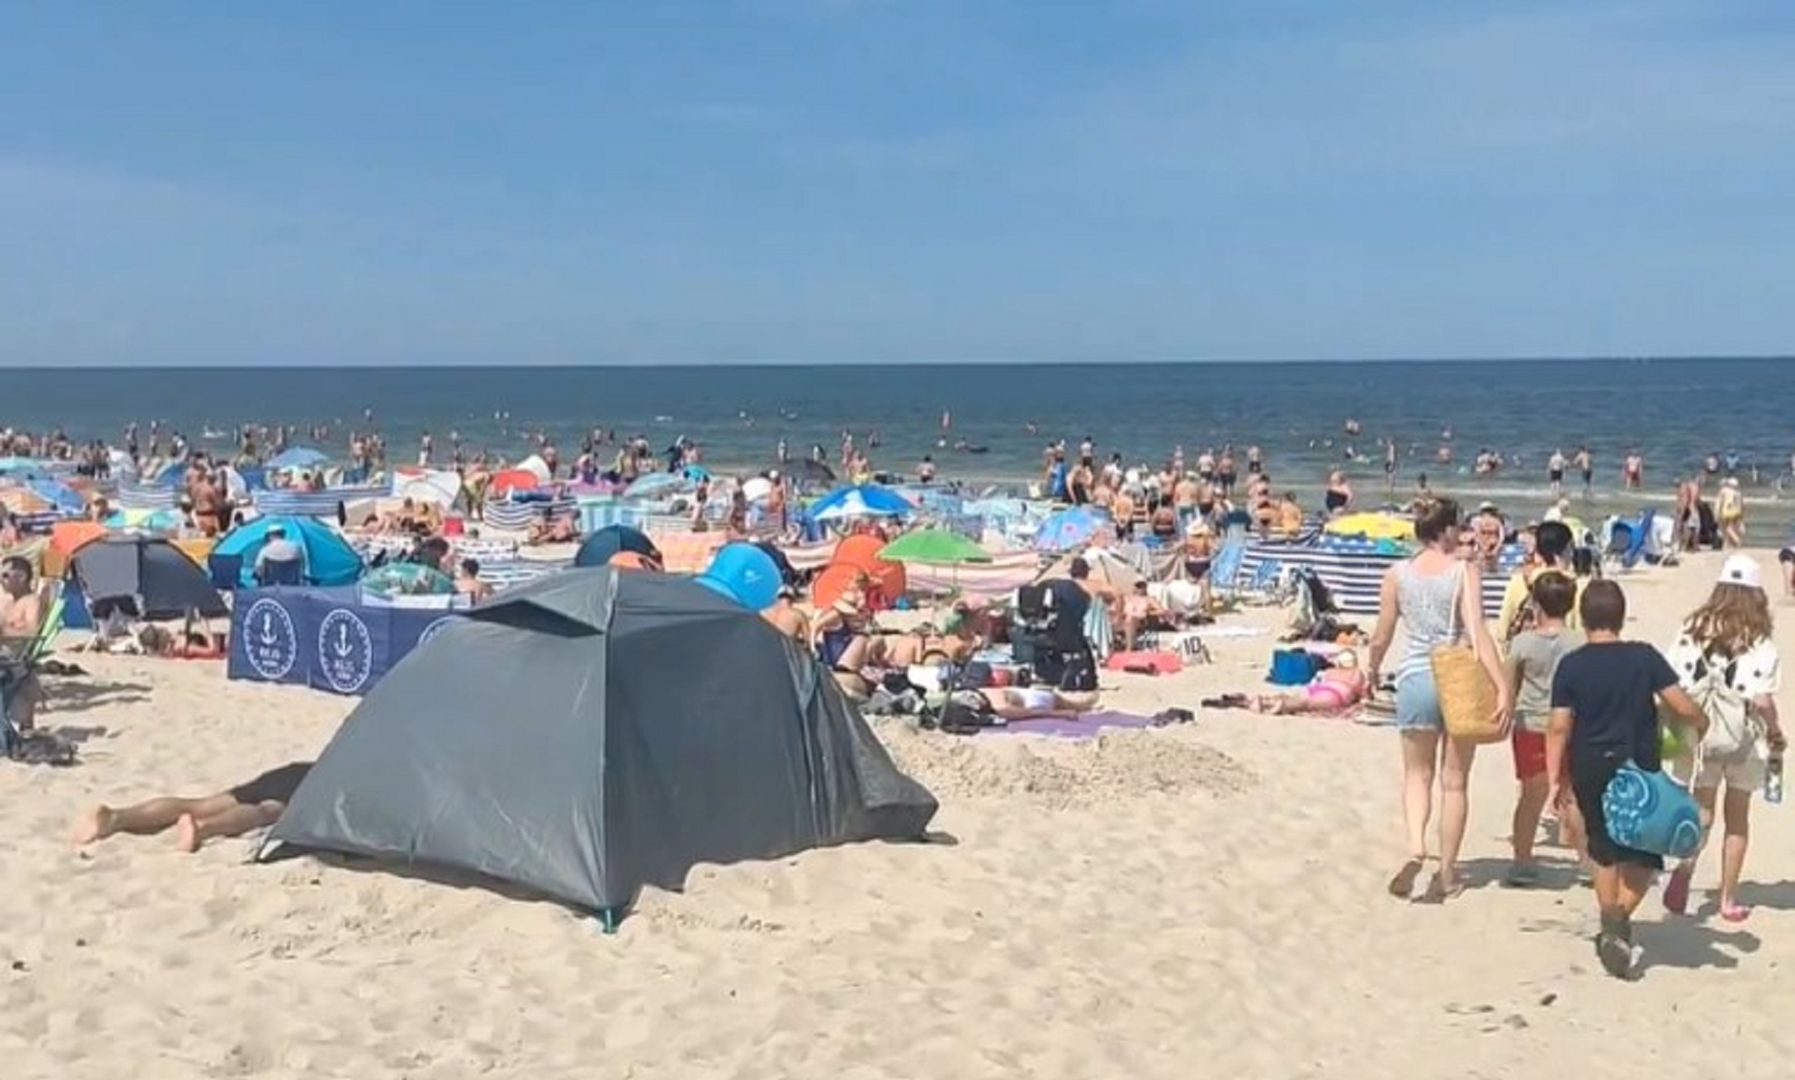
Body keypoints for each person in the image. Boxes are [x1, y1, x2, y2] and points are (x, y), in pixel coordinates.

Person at [1547, 580, 1706, 979]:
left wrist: (1554, 778)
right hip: (1637, 766)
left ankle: (1612, 928)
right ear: (1621, 616)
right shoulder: (1644, 657)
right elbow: (1680, 704)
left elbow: (1558, 726)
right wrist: (1700, 722)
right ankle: (1615, 926)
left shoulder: (1572, 664)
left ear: (1581, 618)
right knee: (1643, 854)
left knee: (1603, 848)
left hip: (1590, 765)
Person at [1367, 499, 1513, 902]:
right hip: (1457, 678)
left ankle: (1416, 843)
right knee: (1454, 783)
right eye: (1459, 527)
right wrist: (1501, 685)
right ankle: (1447, 873)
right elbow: (1478, 632)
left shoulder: (1396, 574)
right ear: (1446, 530)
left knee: (1416, 774)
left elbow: (1381, 634)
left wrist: (1372, 668)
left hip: (1414, 675)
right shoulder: (1464, 572)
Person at [1661, 556, 1785, 923]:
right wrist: (1776, 733)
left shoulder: (1692, 629)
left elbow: (1673, 680)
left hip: (1700, 734)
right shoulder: (1758, 639)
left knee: (1702, 811)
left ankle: (1684, 870)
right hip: (1742, 737)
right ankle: (1728, 899)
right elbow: (1762, 700)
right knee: (1737, 818)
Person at [1502, 572, 1584, 887]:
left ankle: (1522, 861)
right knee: (1572, 795)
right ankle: (1587, 862)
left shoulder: (1522, 643)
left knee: (1530, 796)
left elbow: (1509, 690)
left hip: (1530, 724)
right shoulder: (1579, 642)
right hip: (1570, 724)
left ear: (1535, 602)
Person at [71, 762, 313, 853]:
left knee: (200, 804)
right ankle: (203, 828)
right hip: (309, 783)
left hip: (288, 772)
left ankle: (117, 817)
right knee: (266, 811)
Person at [1498, 520, 1581, 640]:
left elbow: (1502, 629)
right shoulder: (1576, 585)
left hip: (1525, 651)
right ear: (1566, 549)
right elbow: (1579, 630)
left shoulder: (1519, 581)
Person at [0, 556, 47, 733]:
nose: (1, 579)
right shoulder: (5, 600)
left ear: (21, 577)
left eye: (5, 575)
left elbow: (31, 634)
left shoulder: (31, 601)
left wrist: (4, 630)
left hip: (14, 656)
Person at [1251, 649, 1368, 715]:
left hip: (1317, 688)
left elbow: (1316, 681)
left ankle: (1267, 701)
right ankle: (1281, 705)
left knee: (1299, 699)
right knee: (1305, 704)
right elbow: (1364, 695)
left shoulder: (1330, 671)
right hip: (1336, 693)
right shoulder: (1357, 674)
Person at [1716, 477, 1745, 549]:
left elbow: (1719, 503)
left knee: (1727, 528)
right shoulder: (1738, 493)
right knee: (1732, 528)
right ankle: (1727, 545)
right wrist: (1741, 514)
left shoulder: (1724, 491)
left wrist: (1717, 512)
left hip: (1727, 511)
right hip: (1737, 511)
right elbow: (1742, 504)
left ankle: (1737, 540)